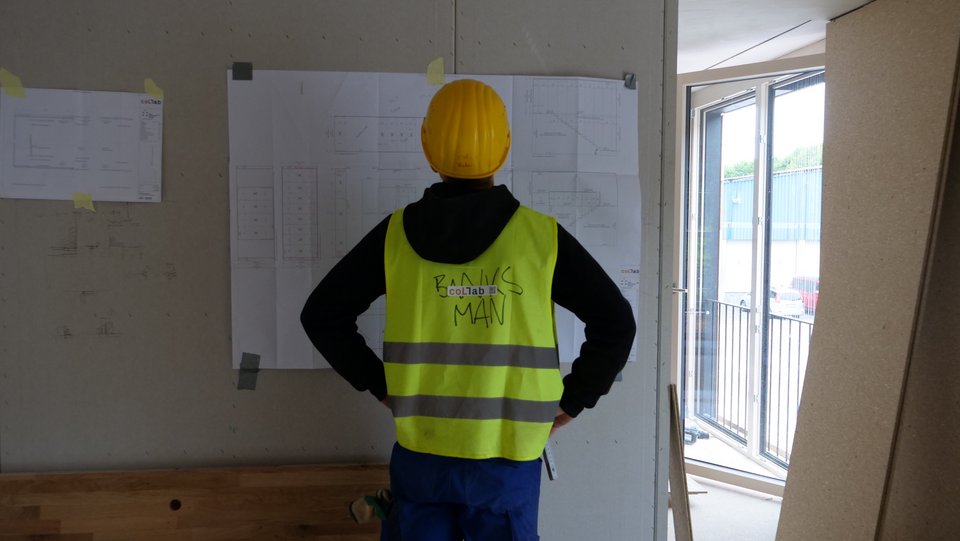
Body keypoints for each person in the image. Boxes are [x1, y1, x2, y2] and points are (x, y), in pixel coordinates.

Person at [301, 79, 636, 541]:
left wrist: (381, 385)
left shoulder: (393, 237)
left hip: (422, 458)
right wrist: (574, 400)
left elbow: (322, 315)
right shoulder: (540, 239)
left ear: (427, 148)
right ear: (504, 147)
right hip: (507, 463)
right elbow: (616, 323)